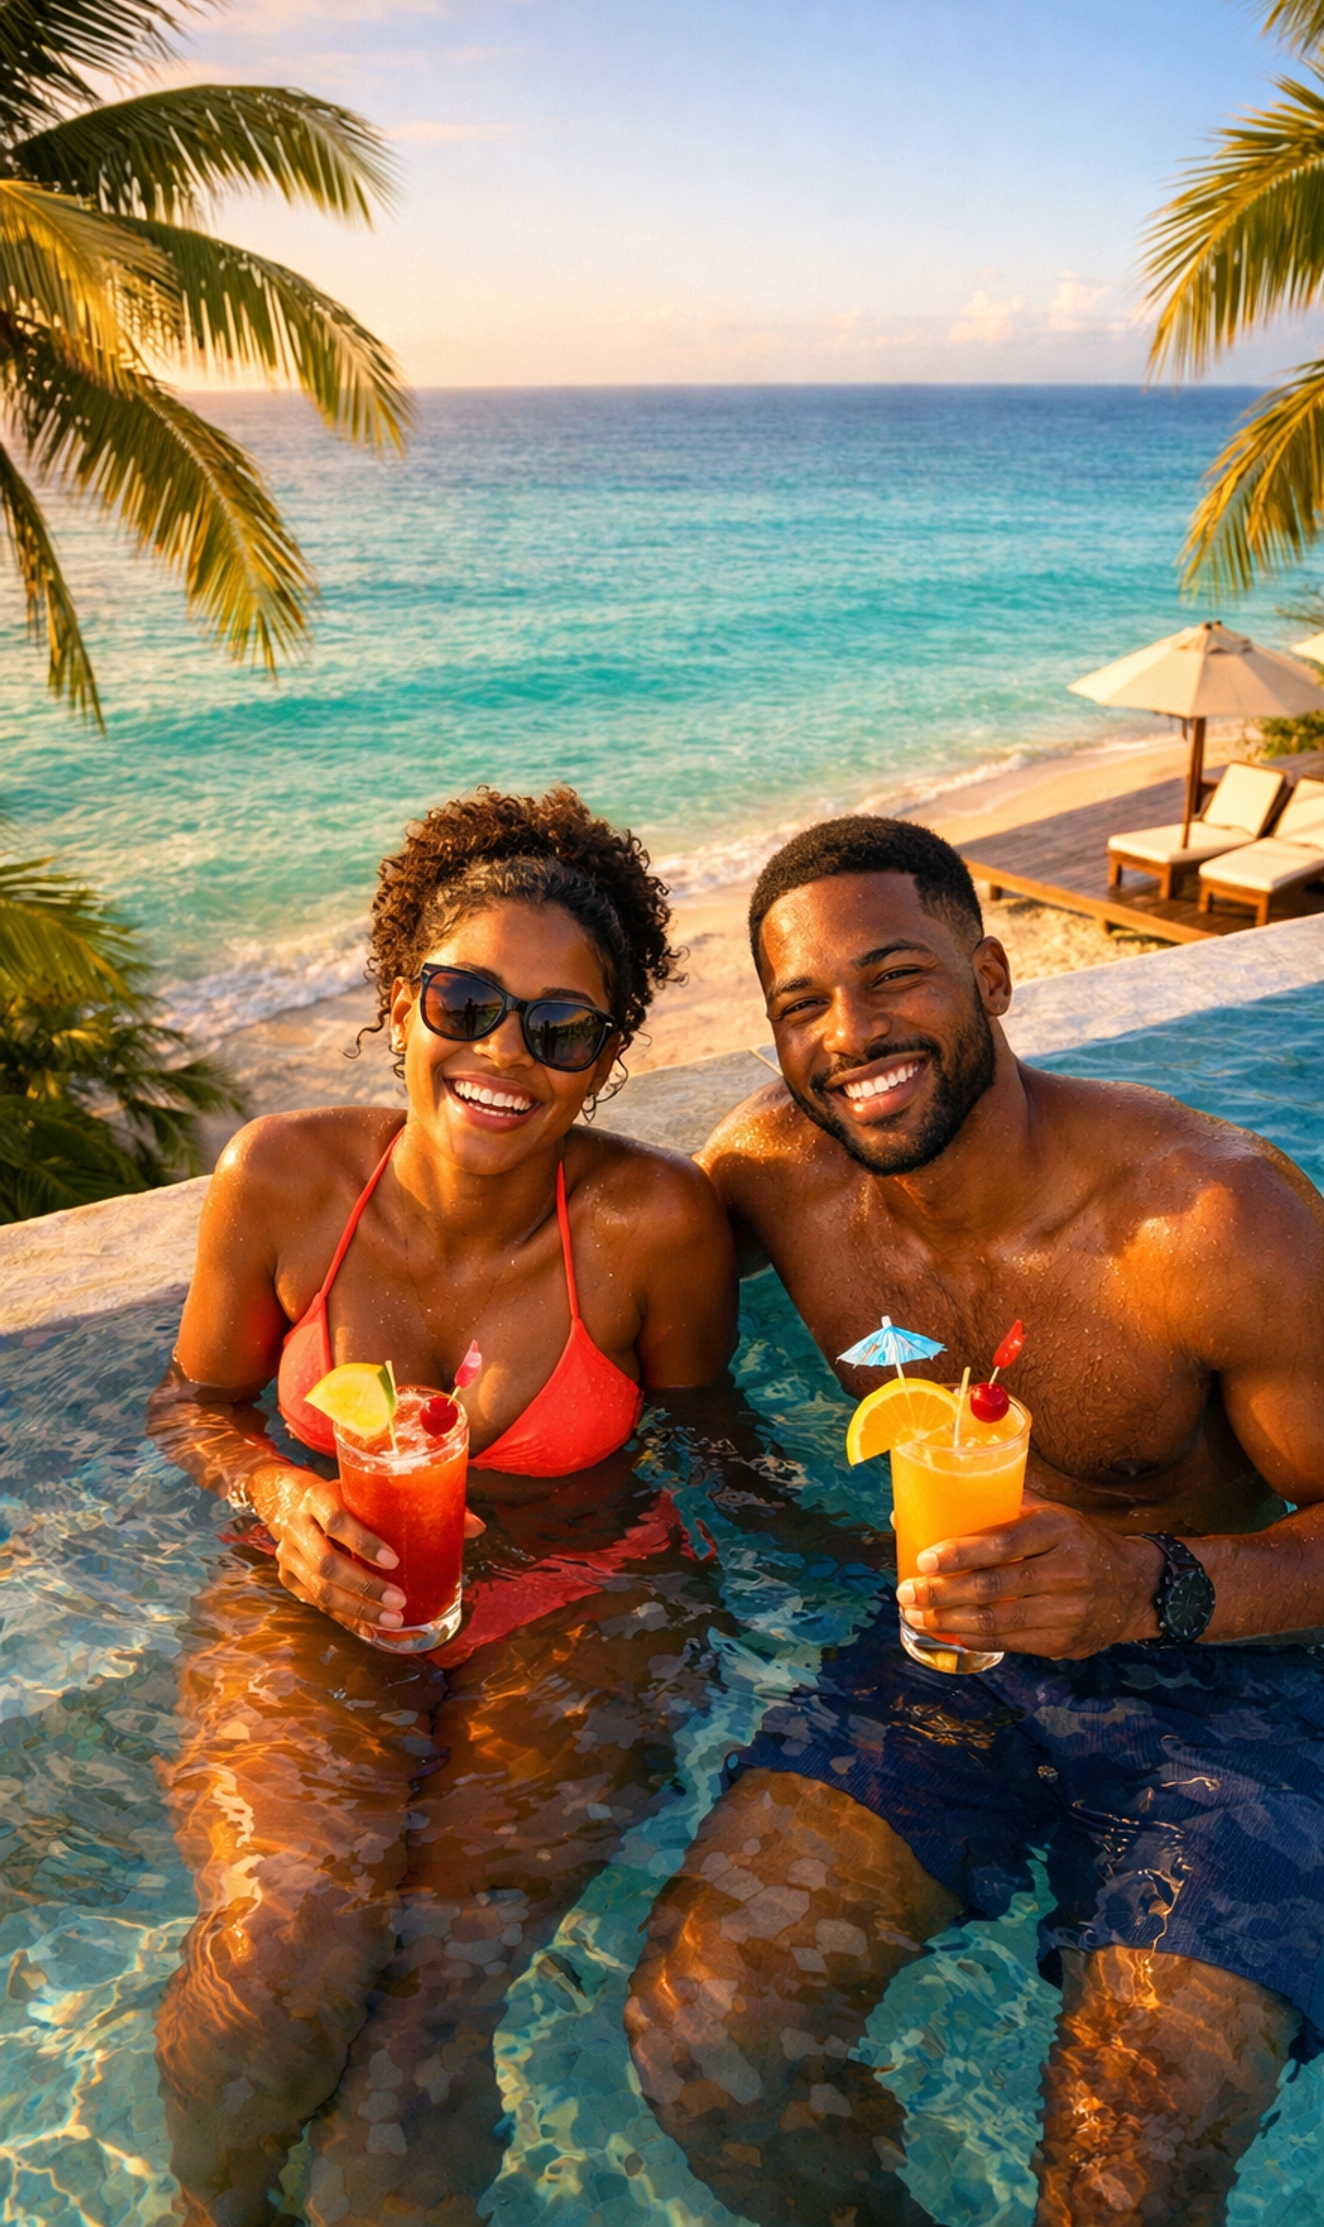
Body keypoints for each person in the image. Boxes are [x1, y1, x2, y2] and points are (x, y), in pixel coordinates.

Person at [624, 814, 1324, 2227]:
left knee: (1126, 2179)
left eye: (895, 975)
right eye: (802, 1005)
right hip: (946, 1655)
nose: (851, 1032)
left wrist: (1150, 1586)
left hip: (1229, 1682)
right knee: (702, 2035)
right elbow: (627, 1319)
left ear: (996, 976)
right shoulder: (773, 1179)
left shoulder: (1207, 1219)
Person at [147, 786, 741, 2227]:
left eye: (558, 1028)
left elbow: (716, 1447)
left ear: (603, 1060)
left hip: (581, 1607)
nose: (501, 1055)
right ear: (395, 998)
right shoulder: (283, 1177)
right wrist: (281, 1493)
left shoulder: (652, 1225)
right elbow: (191, 1406)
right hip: (317, 1588)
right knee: (285, 1943)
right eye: (463, 1001)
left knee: (430, 2012)